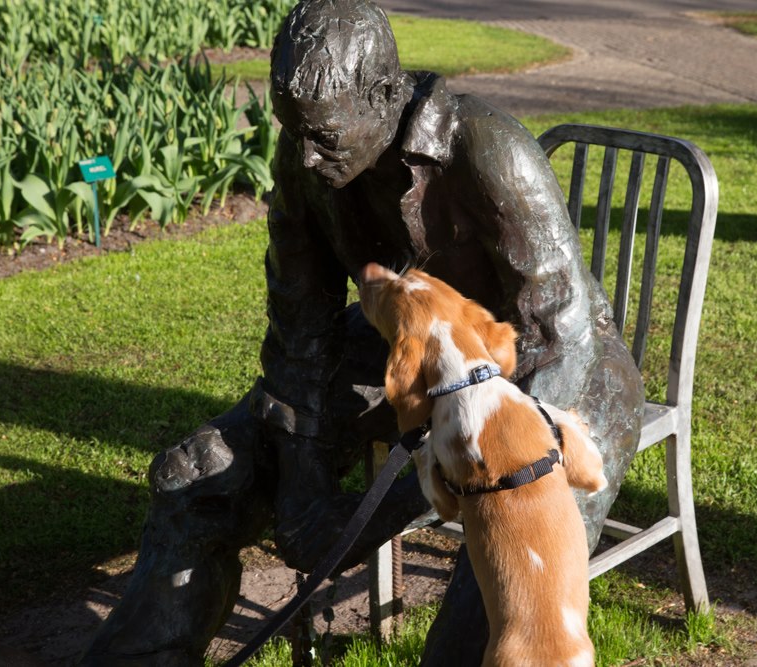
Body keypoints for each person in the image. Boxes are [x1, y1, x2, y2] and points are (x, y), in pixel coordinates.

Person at [82, 1, 643, 664]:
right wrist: (303, 481)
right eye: (294, 132)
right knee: (196, 476)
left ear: (382, 96)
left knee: (486, 611)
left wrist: (459, 474)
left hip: (546, 379)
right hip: (404, 359)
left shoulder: (489, 148)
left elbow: (562, 329)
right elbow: (302, 330)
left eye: (322, 135)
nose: (304, 156)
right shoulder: (306, 161)